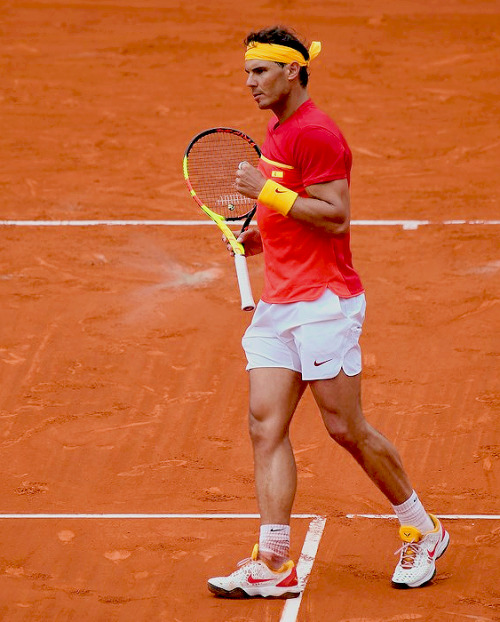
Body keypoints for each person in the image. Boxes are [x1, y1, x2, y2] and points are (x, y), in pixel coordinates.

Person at [207, 26, 449, 599]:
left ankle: (423, 526)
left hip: (325, 302)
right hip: (279, 303)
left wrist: (264, 195)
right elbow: (297, 211)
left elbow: (335, 214)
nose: (249, 83)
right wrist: (258, 237)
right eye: (247, 72)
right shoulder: (277, 129)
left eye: (260, 71)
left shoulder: (317, 133)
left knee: (346, 428)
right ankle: (274, 560)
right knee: (265, 426)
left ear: (292, 71)